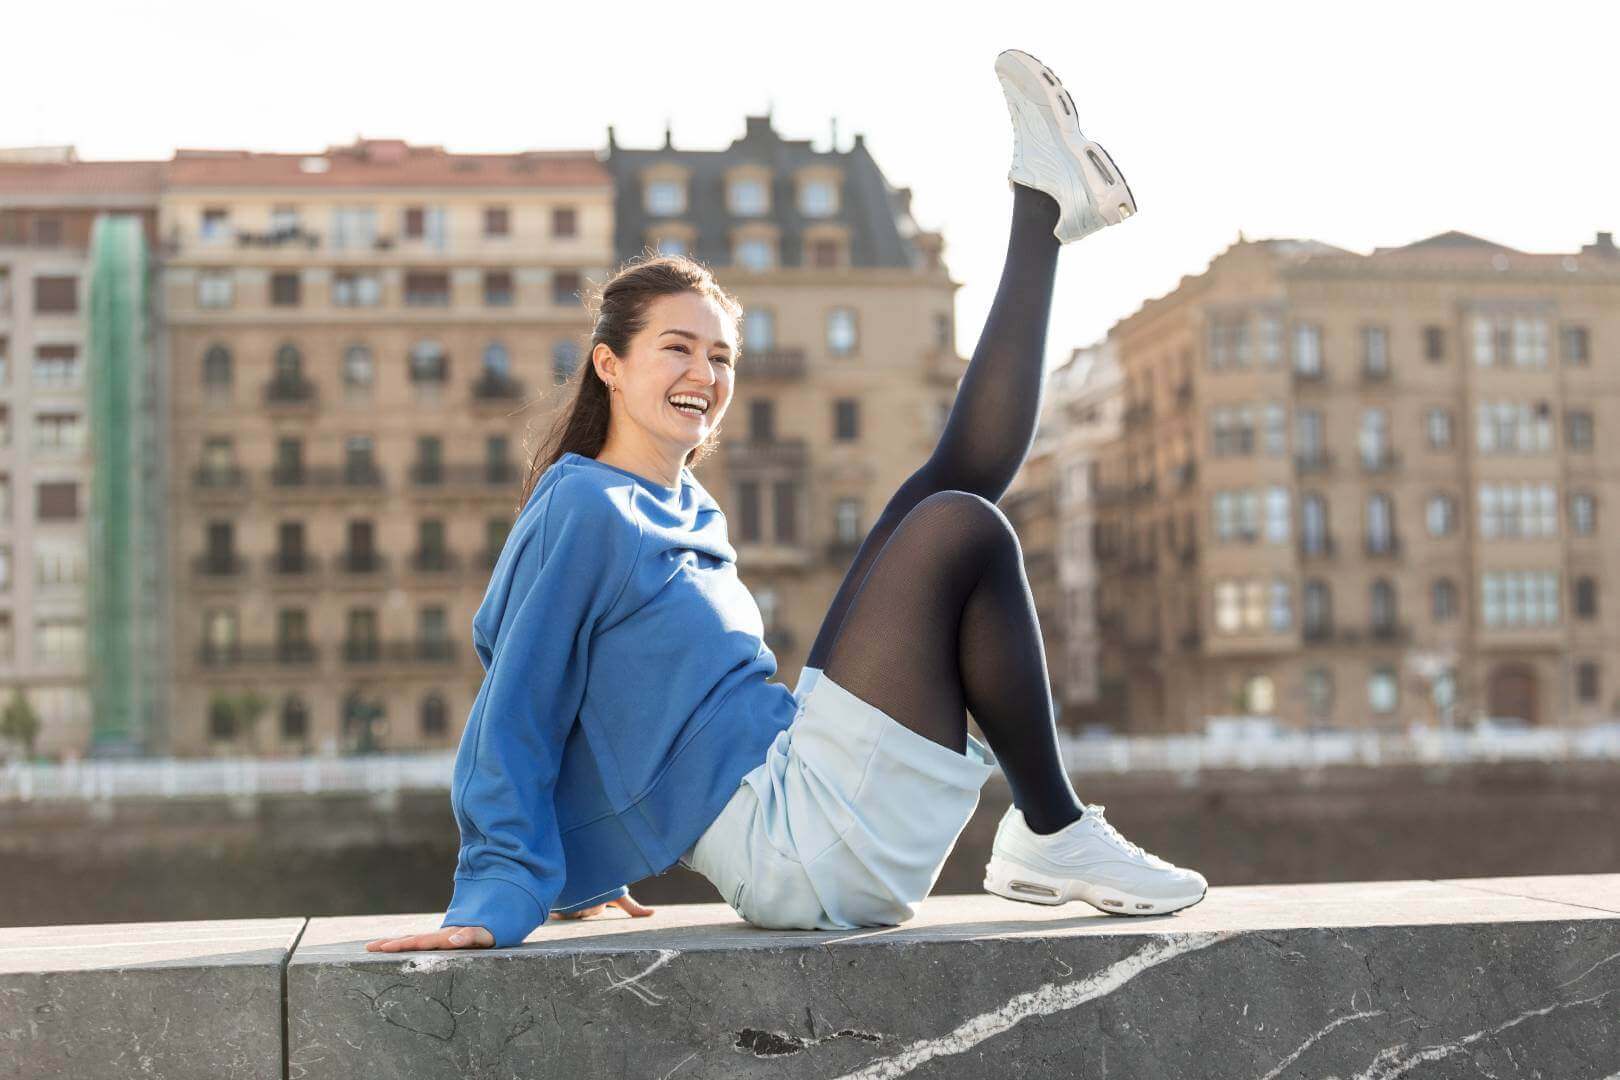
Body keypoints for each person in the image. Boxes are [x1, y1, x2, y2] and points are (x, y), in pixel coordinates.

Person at [367, 48, 1205, 954]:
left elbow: (626, 705)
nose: (704, 373)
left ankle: (1041, 208)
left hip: (800, 785)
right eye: (677, 349)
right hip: (796, 843)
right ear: (608, 364)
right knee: (959, 524)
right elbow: (520, 700)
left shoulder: (688, 507)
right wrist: (503, 889)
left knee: (946, 491)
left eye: (721, 355)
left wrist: (587, 877)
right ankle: (1052, 827)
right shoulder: (586, 507)